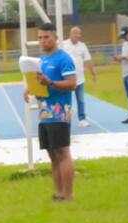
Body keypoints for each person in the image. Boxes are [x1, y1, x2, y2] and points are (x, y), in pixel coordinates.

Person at [24, 23, 77, 201]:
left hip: (59, 112)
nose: (42, 41)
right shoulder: (41, 60)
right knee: (52, 154)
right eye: (39, 37)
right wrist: (30, 88)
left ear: (55, 38)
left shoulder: (63, 59)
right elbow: (40, 82)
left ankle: (68, 195)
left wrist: (52, 83)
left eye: (46, 37)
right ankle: (58, 192)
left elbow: (72, 84)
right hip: (44, 113)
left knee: (62, 152)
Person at [62, 26, 96, 128]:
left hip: (79, 79)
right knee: (66, 100)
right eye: (75, 33)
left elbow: (88, 60)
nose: (77, 36)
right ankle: (65, 119)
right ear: (70, 34)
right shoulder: (63, 45)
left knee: (81, 100)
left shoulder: (82, 46)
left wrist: (93, 73)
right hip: (67, 79)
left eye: (79, 34)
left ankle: (82, 119)